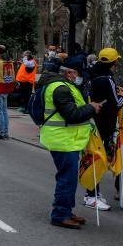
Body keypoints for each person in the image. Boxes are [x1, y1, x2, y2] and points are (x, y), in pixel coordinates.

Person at [37, 63, 101, 228]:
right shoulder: (60, 88)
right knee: (67, 178)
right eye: (77, 74)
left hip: (67, 139)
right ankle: (60, 215)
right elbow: (72, 115)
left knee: (68, 178)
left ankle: (66, 210)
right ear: (69, 73)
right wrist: (91, 108)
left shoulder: (63, 86)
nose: (79, 77)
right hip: (63, 140)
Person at [84, 48, 123, 209]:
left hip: (94, 124)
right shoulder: (107, 79)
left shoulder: (93, 75)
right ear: (113, 64)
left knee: (96, 159)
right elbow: (116, 104)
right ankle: (91, 196)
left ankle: (94, 193)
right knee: (99, 160)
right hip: (104, 125)